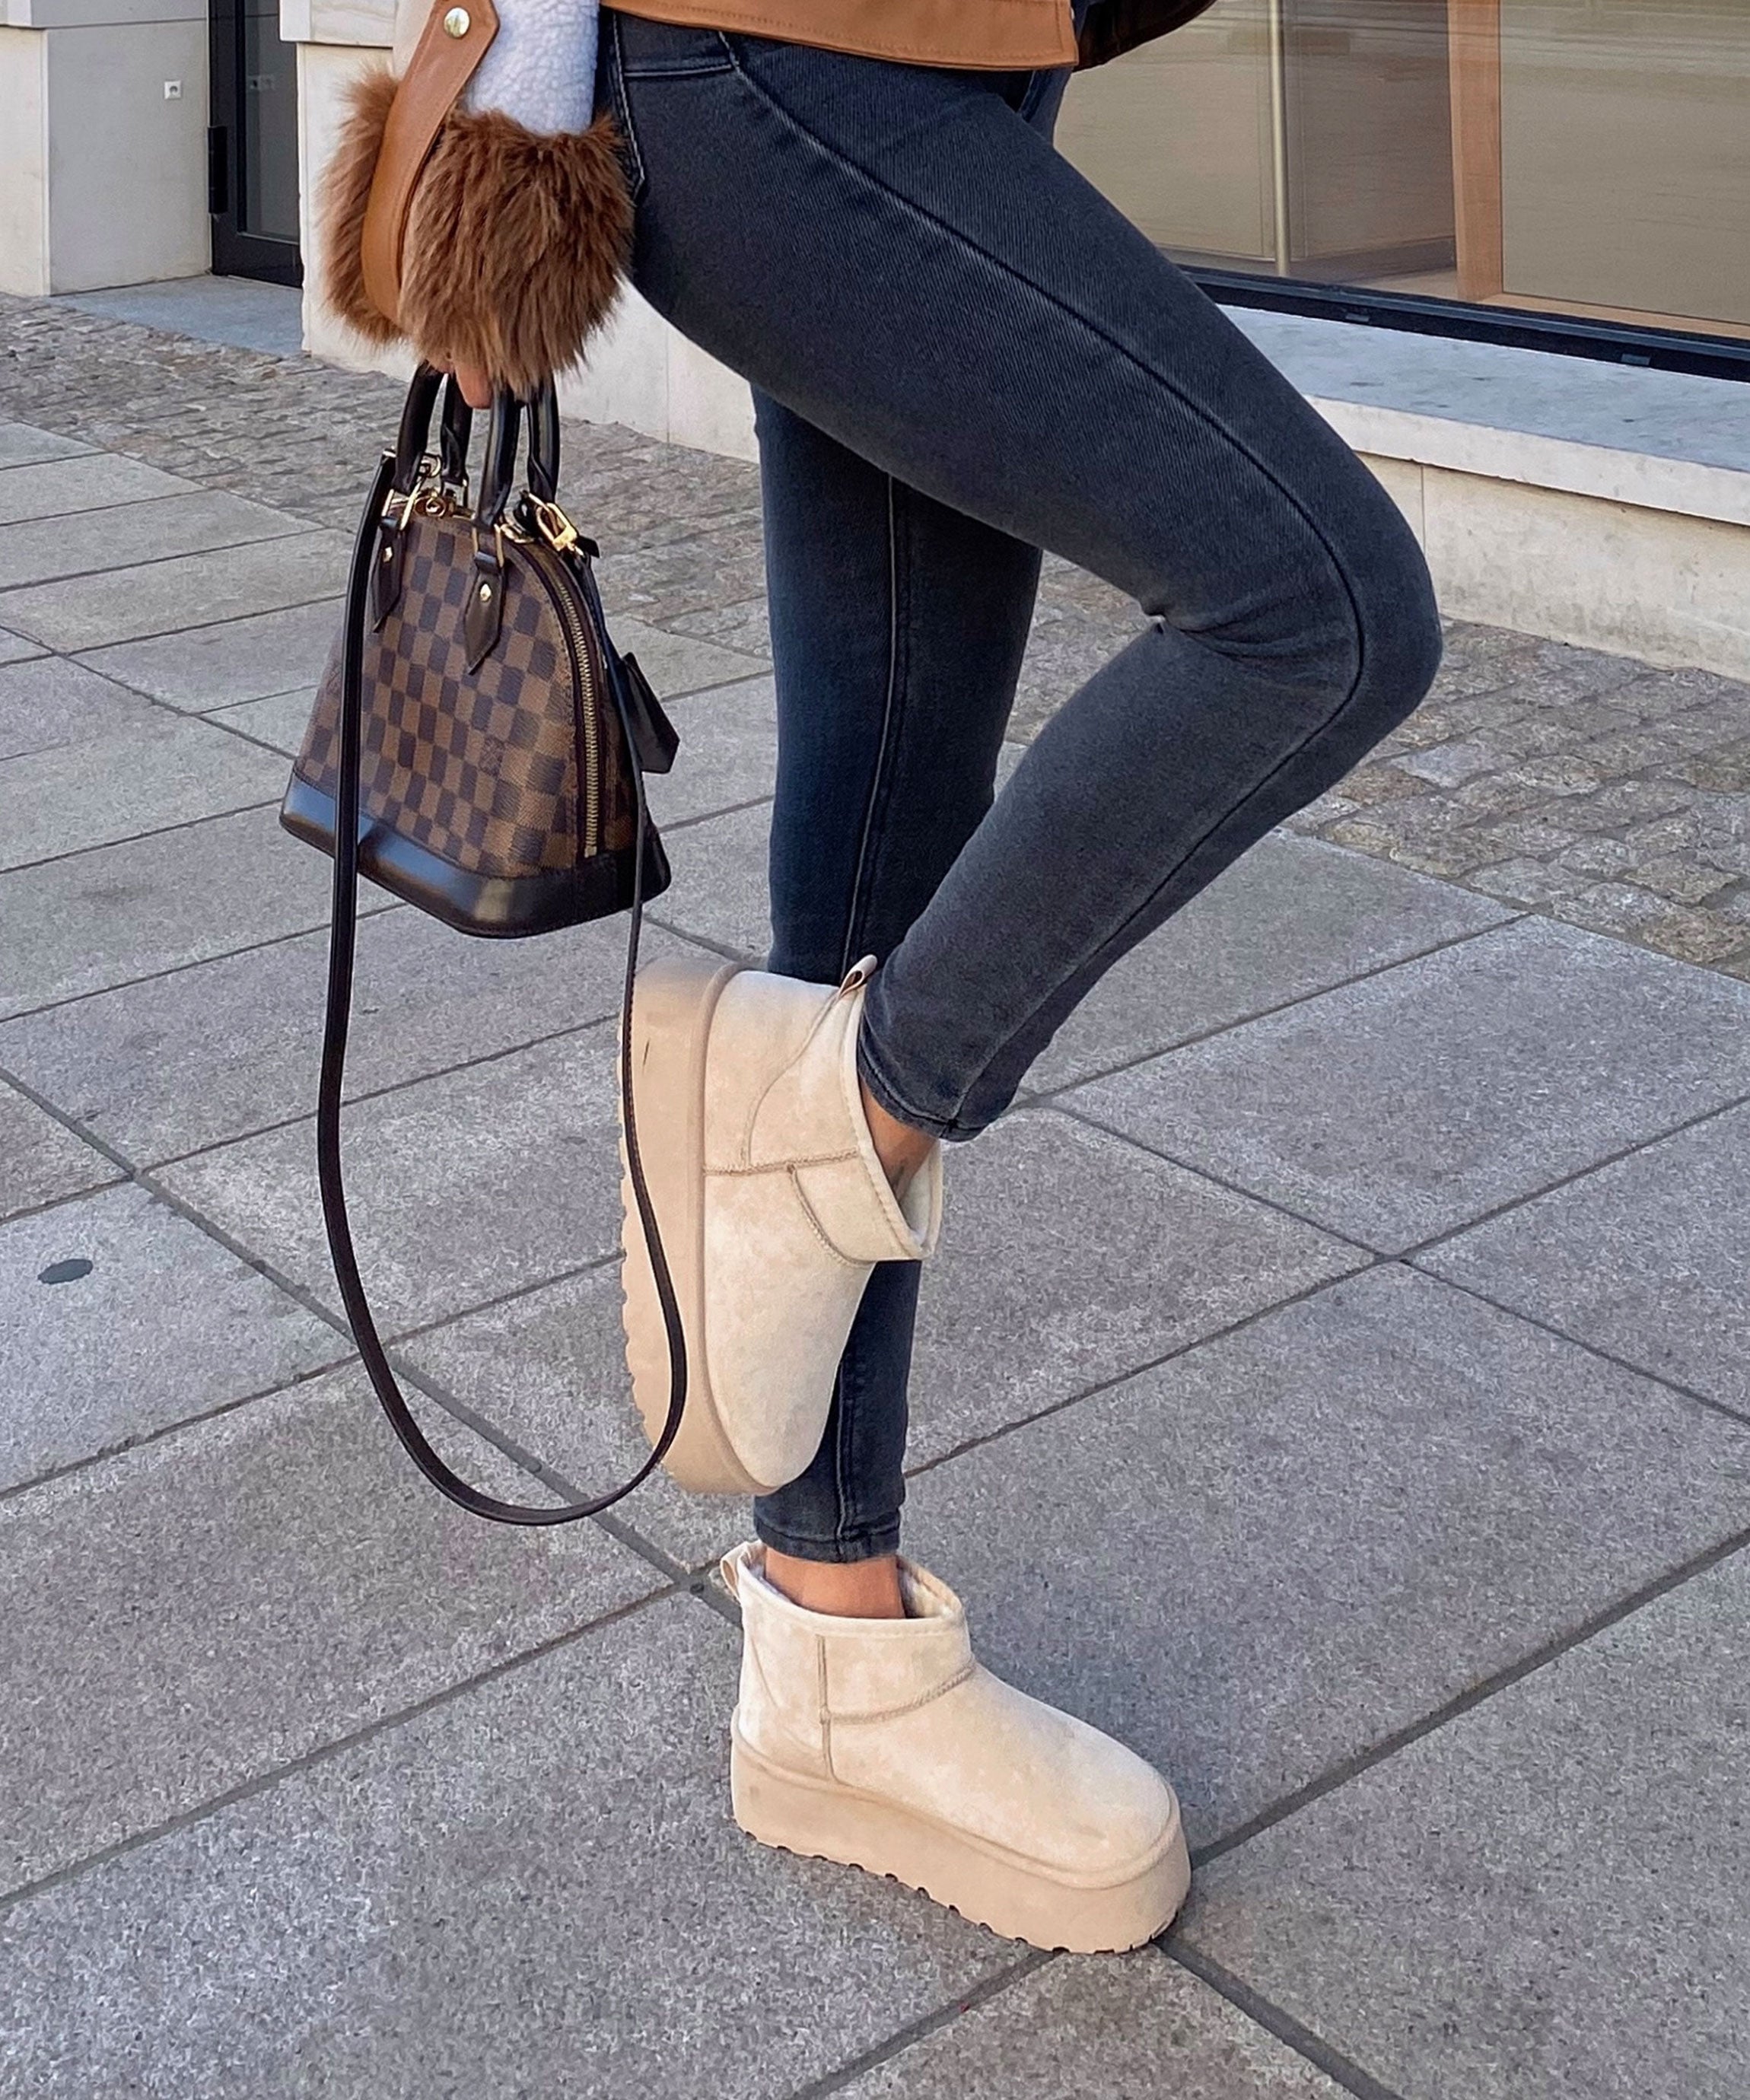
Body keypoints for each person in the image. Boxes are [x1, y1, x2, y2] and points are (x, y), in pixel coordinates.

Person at [399, 0, 1442, 1952]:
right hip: (766, 57)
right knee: (1319, 609)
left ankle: (832, 1652)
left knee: (890, 798)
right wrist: (508, 124)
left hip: (939, 56)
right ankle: (824, 1125)